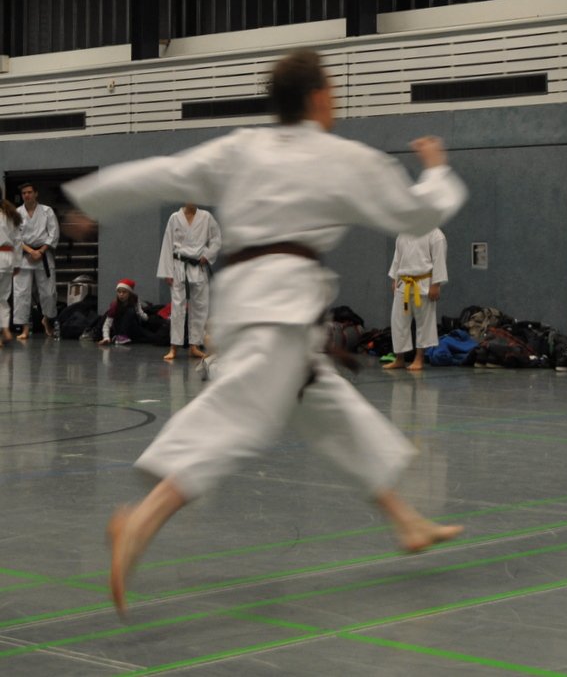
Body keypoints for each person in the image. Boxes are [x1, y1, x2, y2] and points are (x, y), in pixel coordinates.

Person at [62, 49, 468, 618]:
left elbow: (166, 172)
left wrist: (92, 201)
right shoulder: (341, 158)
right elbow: (417, 214)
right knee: (238, 418)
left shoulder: (242, 147)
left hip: (252, 303)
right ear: (319, 98)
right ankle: (140, 522)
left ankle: (407, 521)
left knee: (331, 411)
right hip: (279, 310)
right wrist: (438, 169)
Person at [157, 203, 222, 361]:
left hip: (198, 266)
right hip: (179, 266)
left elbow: (216, 239)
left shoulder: (206, 217)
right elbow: (167, 244)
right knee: (177, 307)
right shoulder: (174, 218)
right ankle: (174, 346)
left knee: (200, 307)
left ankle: (195, 345)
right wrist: (167, 271)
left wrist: (207, 255)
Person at [383, 228, 448, 371]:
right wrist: (394, 278)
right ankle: (399, 359)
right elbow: (397, 258)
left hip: (424, 284)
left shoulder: (436, 235)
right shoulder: (403, 233)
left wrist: (436, 284)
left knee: (424, 323)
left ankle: (419, 358)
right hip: (403, 283)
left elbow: (439, 261)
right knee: (398, 323)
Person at [14, 182, 59, 339]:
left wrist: (40, 251)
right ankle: (25, 328)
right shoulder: (17, 213)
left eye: (29, 192)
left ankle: (47, 319)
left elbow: (53, 233)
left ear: (36, 193)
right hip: (24, 256)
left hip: (43, 255)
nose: (26, 195)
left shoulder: (47, 211)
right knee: (21, 293)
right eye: (24, 193)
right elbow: (14, 236)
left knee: (49, 293)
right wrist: (30, 251)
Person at [97, 278, 159, 346]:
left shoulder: (134, 299)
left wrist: (148, 319)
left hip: (133, 327)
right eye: (119, 292)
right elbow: (107, 324)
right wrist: (106, 338)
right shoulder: (115, 305)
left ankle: (126, 338)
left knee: (155, 338)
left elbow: (140, 312)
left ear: (130, 293)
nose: (121, 294)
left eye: (124, 292)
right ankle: (120, 337)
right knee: (130, 311)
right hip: (120, 328)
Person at [0, 197, 22, 345]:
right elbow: (18, 241)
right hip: (8, 258)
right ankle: (5, 329)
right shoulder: (10, 214)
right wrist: (17, 263)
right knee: (2, 298)